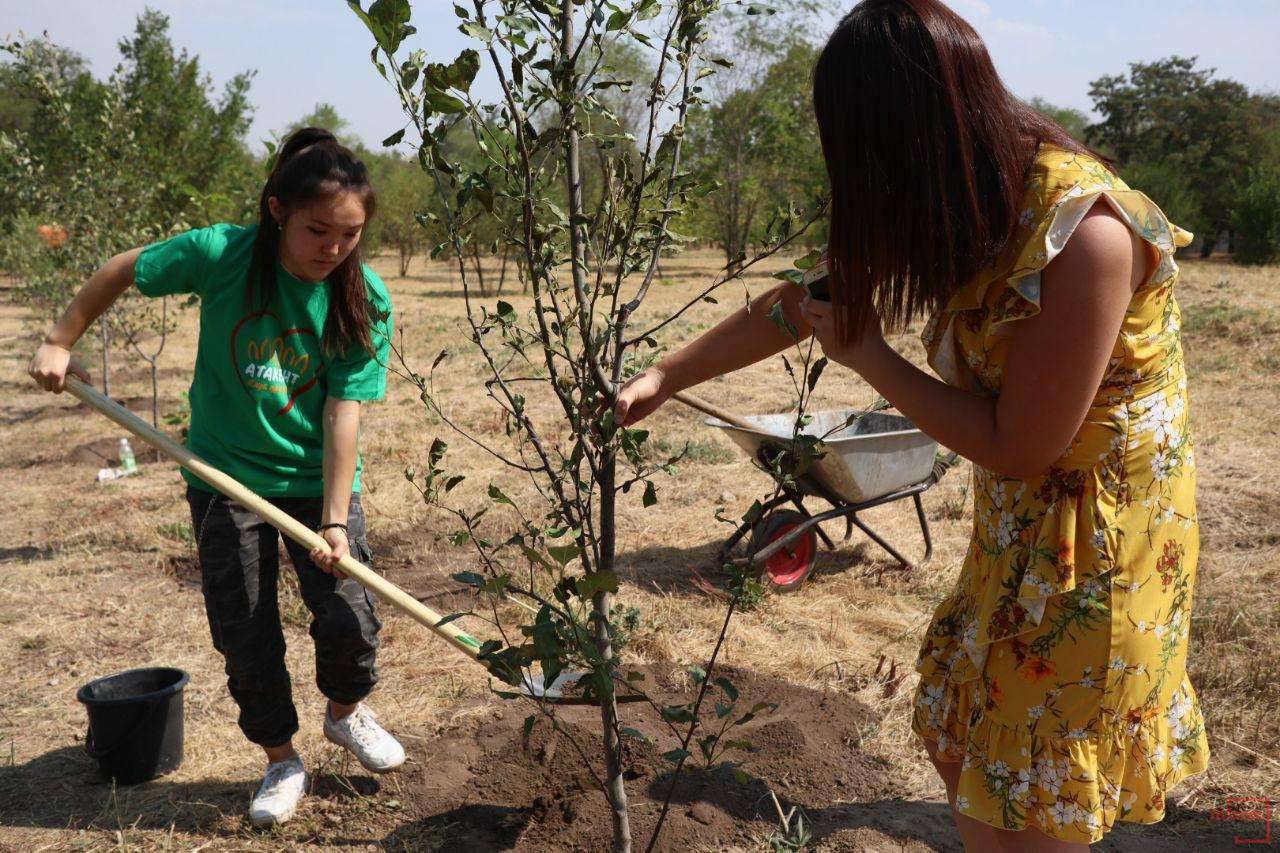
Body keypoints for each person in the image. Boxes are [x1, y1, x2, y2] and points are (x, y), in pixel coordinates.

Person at [615, 1, 1207, 849]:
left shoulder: (1085, 237)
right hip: (1023, 526)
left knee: (1024, 801)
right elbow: (802, 303)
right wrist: (667, 376)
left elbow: (1022, 442)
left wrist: (873, 361)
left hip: (1098, 552)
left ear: (914, 132)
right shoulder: (960, 201)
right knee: (972, 757)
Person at [28, 127, 403, 828]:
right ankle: (280, 758)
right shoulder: (221, 254)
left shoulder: (363, 296)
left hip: (314, 478)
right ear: (276, 211)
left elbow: (343, 414)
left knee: (350, 613)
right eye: (317, 230)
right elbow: (122, 269)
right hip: (224, 476)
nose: (333, 248)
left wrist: (331, 518)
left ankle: (347, 714)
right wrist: (60, 338)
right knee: (246, 627)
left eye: (349, 235)